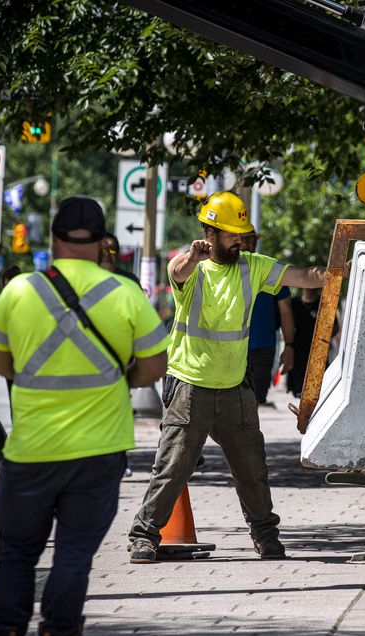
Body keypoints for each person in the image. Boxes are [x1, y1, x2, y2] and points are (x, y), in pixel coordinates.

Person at [0, 196, 169, 636]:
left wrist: (32, 377)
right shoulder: (125, 294)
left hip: (30, 452)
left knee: (16, 555)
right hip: (97, 454)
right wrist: (111, 380)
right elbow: (153, 368)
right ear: (105, 244)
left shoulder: (21, 290)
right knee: (73, 557)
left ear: (53, 240)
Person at [127, 191, 331, 563]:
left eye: (242, 233)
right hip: (190, 386)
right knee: (173, 468)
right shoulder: (192, 267)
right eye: (232, 233)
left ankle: (266, 535)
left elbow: (302, 275)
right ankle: (144, 535)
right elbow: (178, 272)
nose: (240, 239)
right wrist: (193, 256)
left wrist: (340, 270)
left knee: (253, 469)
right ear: (210, 233)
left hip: (235, 387)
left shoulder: (253, 266)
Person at [244, 231, 295, 405]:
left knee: (255, 401)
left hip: (262, 349)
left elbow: (286, 310)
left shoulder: (269, 271)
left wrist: (289, 346)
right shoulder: (223, 270)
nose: (247, 245)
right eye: (243, 240)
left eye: (251, 240)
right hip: (229, 349)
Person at [286, 286, 340, 398]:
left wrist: (323, 338)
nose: (309, 288)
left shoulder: (324, 303)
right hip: (299, 354)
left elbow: (335, 327)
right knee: (300, 391)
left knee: (320, 389)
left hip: (319, 353)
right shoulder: (294, 304)